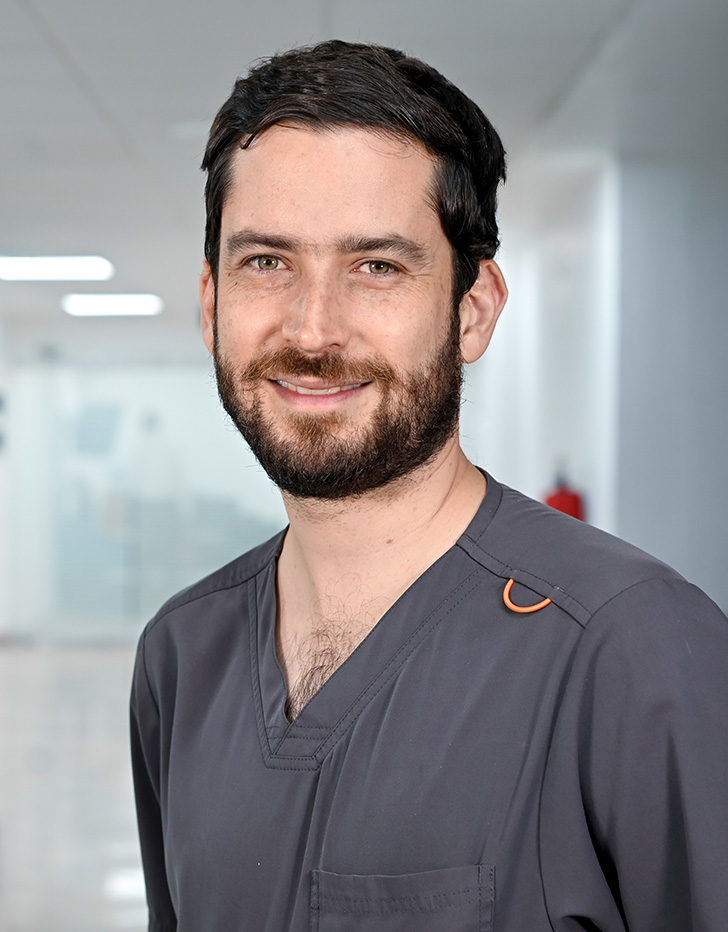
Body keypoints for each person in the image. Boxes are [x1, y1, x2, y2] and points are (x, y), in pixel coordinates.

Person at [130, 40, 728, 932]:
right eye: (267, 262)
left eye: (377, 266)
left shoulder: (630, 648)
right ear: (213, 304)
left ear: (472, 310)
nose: (312, 330)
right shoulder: (182, 656)